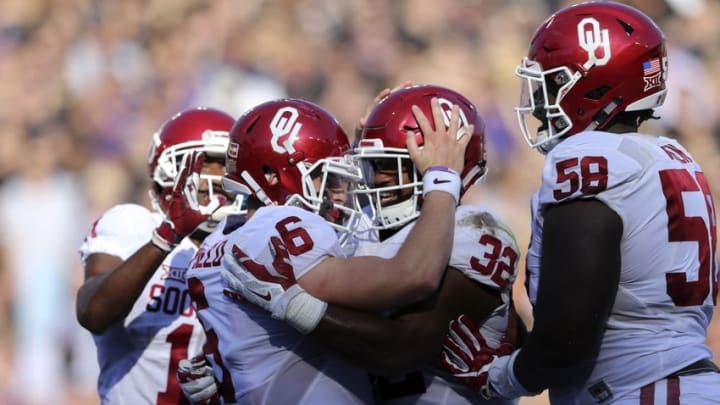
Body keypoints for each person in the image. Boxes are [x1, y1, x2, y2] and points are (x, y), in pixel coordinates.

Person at [440, 2, 720, 404]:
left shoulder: (590, 156)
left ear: (598, 85)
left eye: (552, 84)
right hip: (679, 381)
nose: (539, 104)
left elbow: (569, 334)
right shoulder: (675, 157)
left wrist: (500, 376)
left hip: (640, 390)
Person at [221, 85, 522, 405]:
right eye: (375, 165)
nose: (378, 179)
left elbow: (401, 351)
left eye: (392, 166)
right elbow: (334, 208)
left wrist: (292, 304)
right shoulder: (366, 229)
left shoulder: (474, 230)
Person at [76, 107, 242, 404]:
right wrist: (167, 236)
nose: (217, 177)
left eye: (225, 165)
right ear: (166, 173)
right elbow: (94, 313)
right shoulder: (133, 225)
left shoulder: (245, 245)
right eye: (206, 163)